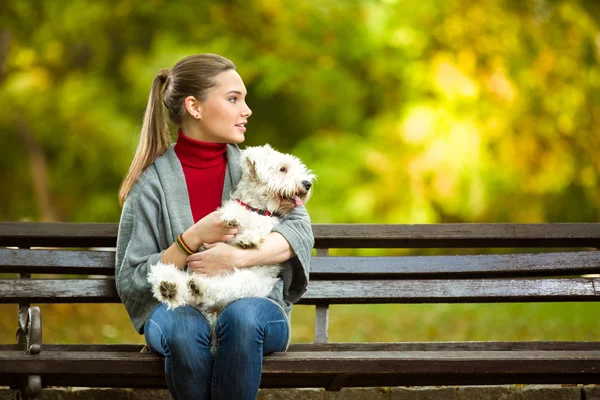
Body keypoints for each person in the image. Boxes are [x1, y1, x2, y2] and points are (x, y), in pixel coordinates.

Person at [115, 53, 314, 400]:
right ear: (194, 107)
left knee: (243, 317)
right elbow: (131, 277)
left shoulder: (254, 168)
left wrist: (237, 260)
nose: (247, 110)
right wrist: (191, 240)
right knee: (182, 325)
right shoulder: (150, 187)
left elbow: (299, 231)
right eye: (234, 99)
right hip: (180, 311)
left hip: (256, 306)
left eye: (245, 99)